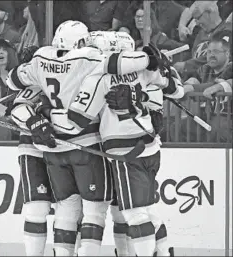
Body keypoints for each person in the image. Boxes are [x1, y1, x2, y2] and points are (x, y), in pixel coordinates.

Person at [6, 20, 161, 256]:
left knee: (63, 209)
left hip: (47, 147)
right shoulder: (90, 62)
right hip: (88, 143)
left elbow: (14, 90)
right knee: (108, 210)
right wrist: (149, 59)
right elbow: (121, 70)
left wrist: (38, 119)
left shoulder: (41, 61)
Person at [50, 31, 184, 256]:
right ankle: (162, 252)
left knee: (135, 214)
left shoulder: (98, 77)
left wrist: (46, 116)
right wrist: (163, 67)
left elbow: (77, 121)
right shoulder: (142, 69)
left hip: (124, 153)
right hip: (150, 147)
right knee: (145, 209)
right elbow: (176, 90)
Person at [8, 45, 55, 256]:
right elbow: (18, 109)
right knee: (37, 209)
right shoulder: (35, 80)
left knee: (71, 210)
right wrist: (34, 121)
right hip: (33, 149)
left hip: (63, 151)